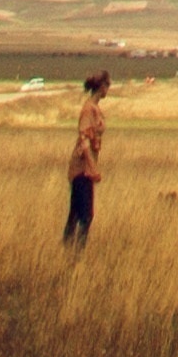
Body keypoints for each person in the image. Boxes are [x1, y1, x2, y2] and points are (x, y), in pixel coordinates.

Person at [64, 70, 110, 249]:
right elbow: (83, 143)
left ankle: (67, 251)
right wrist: (93, 169)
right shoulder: (88, 109)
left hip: (86, 168)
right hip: (82, 169)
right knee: (85, 215)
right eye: (107, 85)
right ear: (101, 87)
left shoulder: (94, 108)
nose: (108, 89)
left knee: (75, 214)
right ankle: (77, 253)